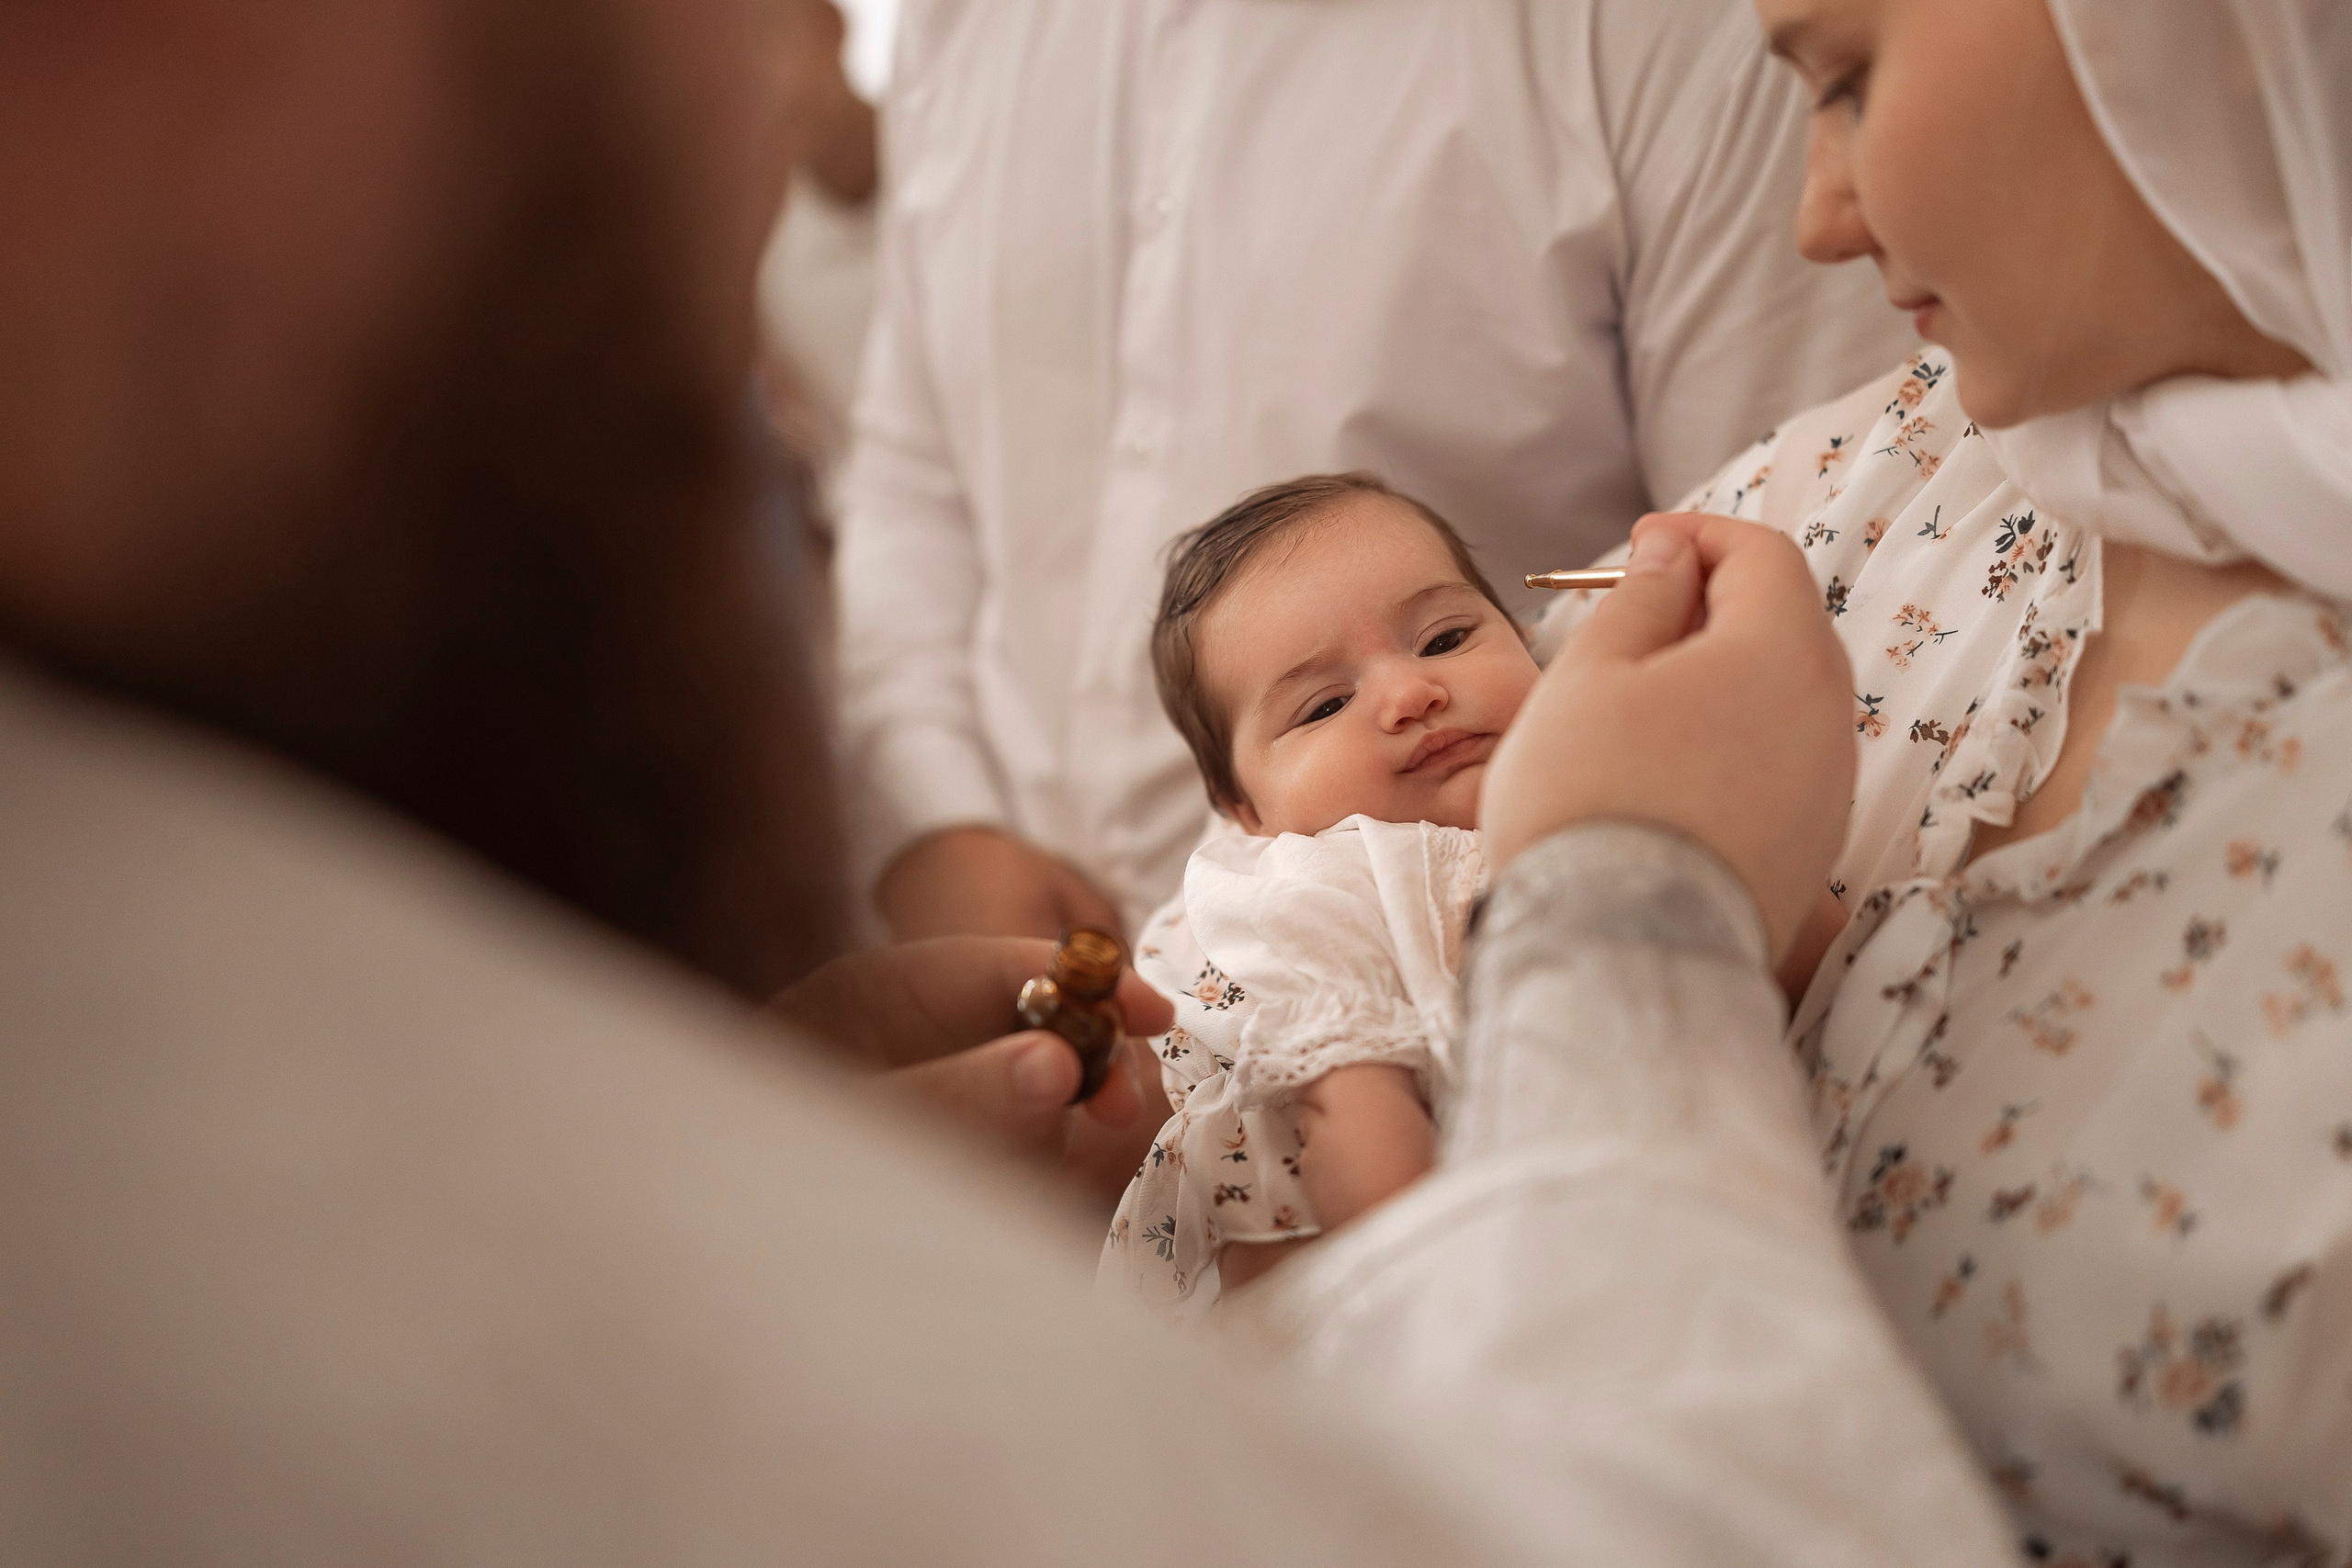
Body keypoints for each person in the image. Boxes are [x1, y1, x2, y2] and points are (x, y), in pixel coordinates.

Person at [835, 0, 1922, 946]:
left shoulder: (1687, 29)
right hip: (994, 987)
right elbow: (908, 474)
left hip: (1527, 994)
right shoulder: (960, 15)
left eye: (1443, 639)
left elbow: (1799, 559)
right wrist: (931, 829)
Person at [1103, 474, 1537, 1314]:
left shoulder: (1597, 760)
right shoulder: (1322, 882)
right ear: (1245, 810)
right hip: (1374, 1277)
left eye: (1445, 638)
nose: (1412, 695)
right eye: (1327, 703)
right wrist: (1457, 1309)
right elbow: (1357, 1123)